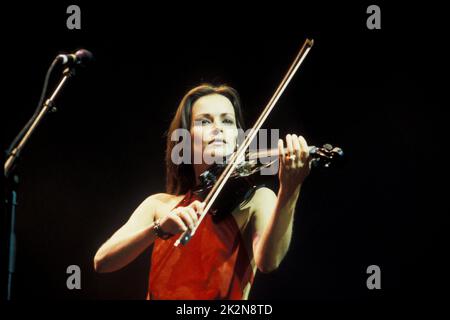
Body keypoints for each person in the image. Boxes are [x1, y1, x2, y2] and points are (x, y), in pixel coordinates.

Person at [93, 84, 312, 299]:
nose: (217, 127)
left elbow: (269, 261)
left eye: (227, 120)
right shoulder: (159, 205)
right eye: (204, 121)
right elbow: (102, 262)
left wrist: (290, 190)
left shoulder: (255, 200)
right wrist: (158, 228)